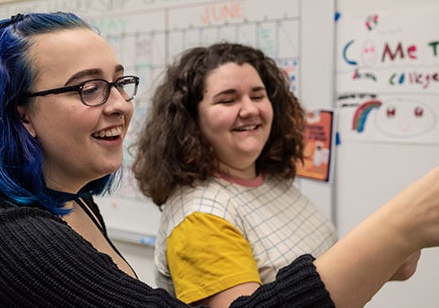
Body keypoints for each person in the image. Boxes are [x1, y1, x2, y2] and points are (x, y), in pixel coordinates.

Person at [0, 12, 439, 308]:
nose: (122, 103)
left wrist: (386, 249)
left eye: (120, 83)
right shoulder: (17, 237)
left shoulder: (73, 202)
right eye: (89, 89)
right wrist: (398, 228)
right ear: (20, 114)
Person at [131, 42, 421, 308]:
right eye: (227, 100)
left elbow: (328, 271)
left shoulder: (272, 181)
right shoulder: (200, 219)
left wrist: (398, 239)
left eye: (258, 95)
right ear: (191, 120)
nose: (250, 109)